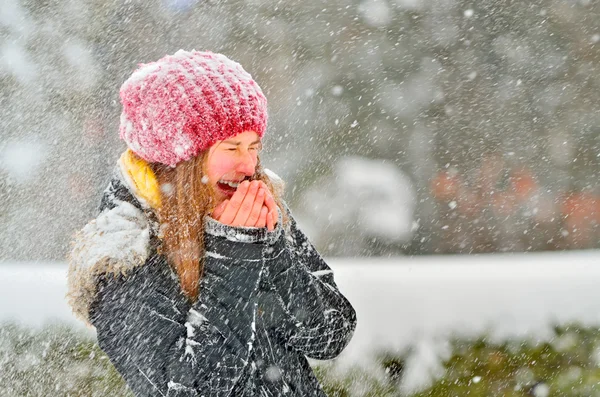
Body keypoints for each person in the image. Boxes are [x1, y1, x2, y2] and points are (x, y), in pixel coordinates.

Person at [66, 50, 356, 397]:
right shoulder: (121, 254)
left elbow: (331, 335)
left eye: (254, 146)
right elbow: (192, 389)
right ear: (182, 157)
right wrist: (233, 254)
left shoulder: (253, 207)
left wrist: (275, 251)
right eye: (232, 148)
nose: (249, 165)